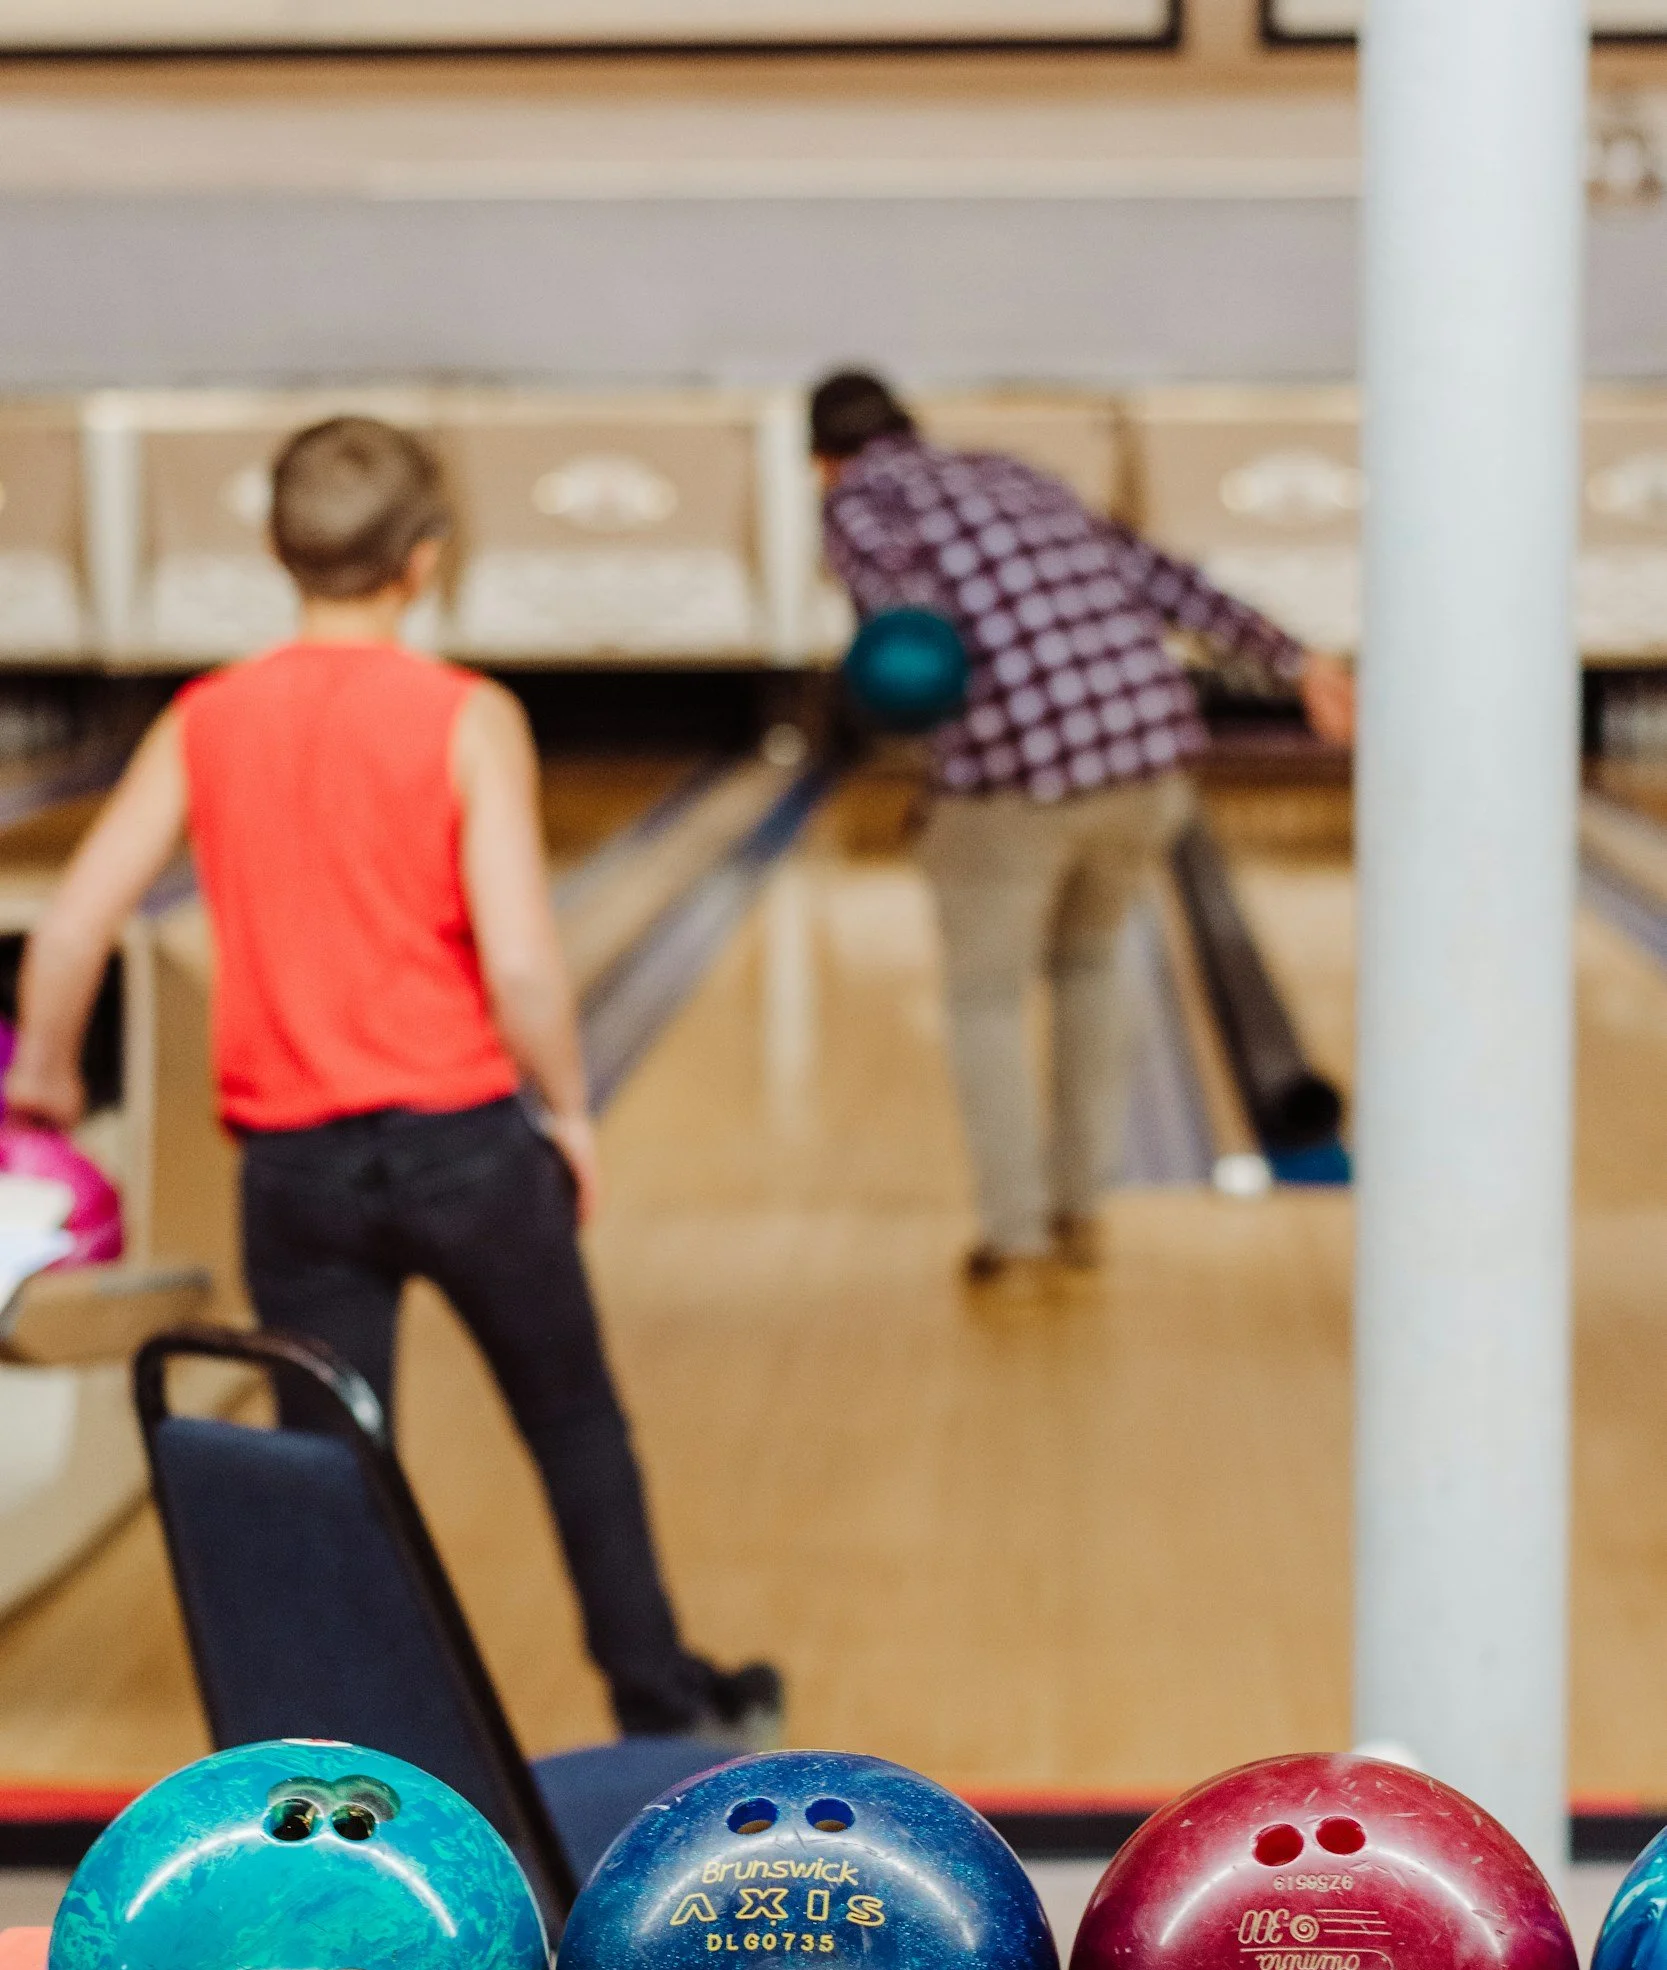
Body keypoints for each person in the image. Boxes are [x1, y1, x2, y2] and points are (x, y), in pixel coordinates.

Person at [6, 414, 781, 1743]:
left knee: (329, 1472)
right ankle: (661, 1706)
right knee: (573, 1425)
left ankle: (352, 1756)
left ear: (275, 547)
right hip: (468, 1145)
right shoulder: (470, 716)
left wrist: (51, 1082)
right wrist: (568, 1110)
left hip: (295, 1174)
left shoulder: (204, 718)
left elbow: (74, 925)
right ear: (424, 560)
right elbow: (524, 963)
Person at [812, 369, 1357, 1291]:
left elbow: (909, 645)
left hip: (1018, 780)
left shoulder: (859, 500)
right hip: (1147, 763)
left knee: (985, 1000)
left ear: (823, 460)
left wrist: (898, 738)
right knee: (1090, 969)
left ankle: (1017, 1240)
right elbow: (1163, 579)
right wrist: (1295, 660)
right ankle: (1080, 1212)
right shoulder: (1015, 474)